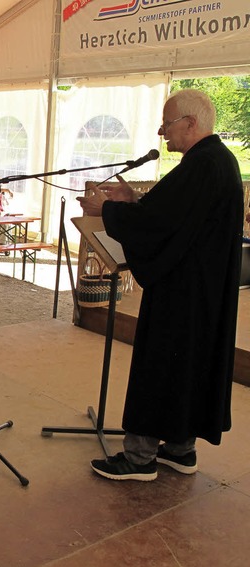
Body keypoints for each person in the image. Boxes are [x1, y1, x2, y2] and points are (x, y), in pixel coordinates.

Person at [78, 89, 243, 482]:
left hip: (180, 293)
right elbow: (174, 214)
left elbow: (162, 225)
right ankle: (181, 449)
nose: (161, 132)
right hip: (203, 293)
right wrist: (133, 199)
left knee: (160, 368)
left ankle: (139, 458)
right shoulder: (217, 162)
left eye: (167, 124)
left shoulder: (202, 165)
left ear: (190, 123)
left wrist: (110, 210)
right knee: (188, 369)